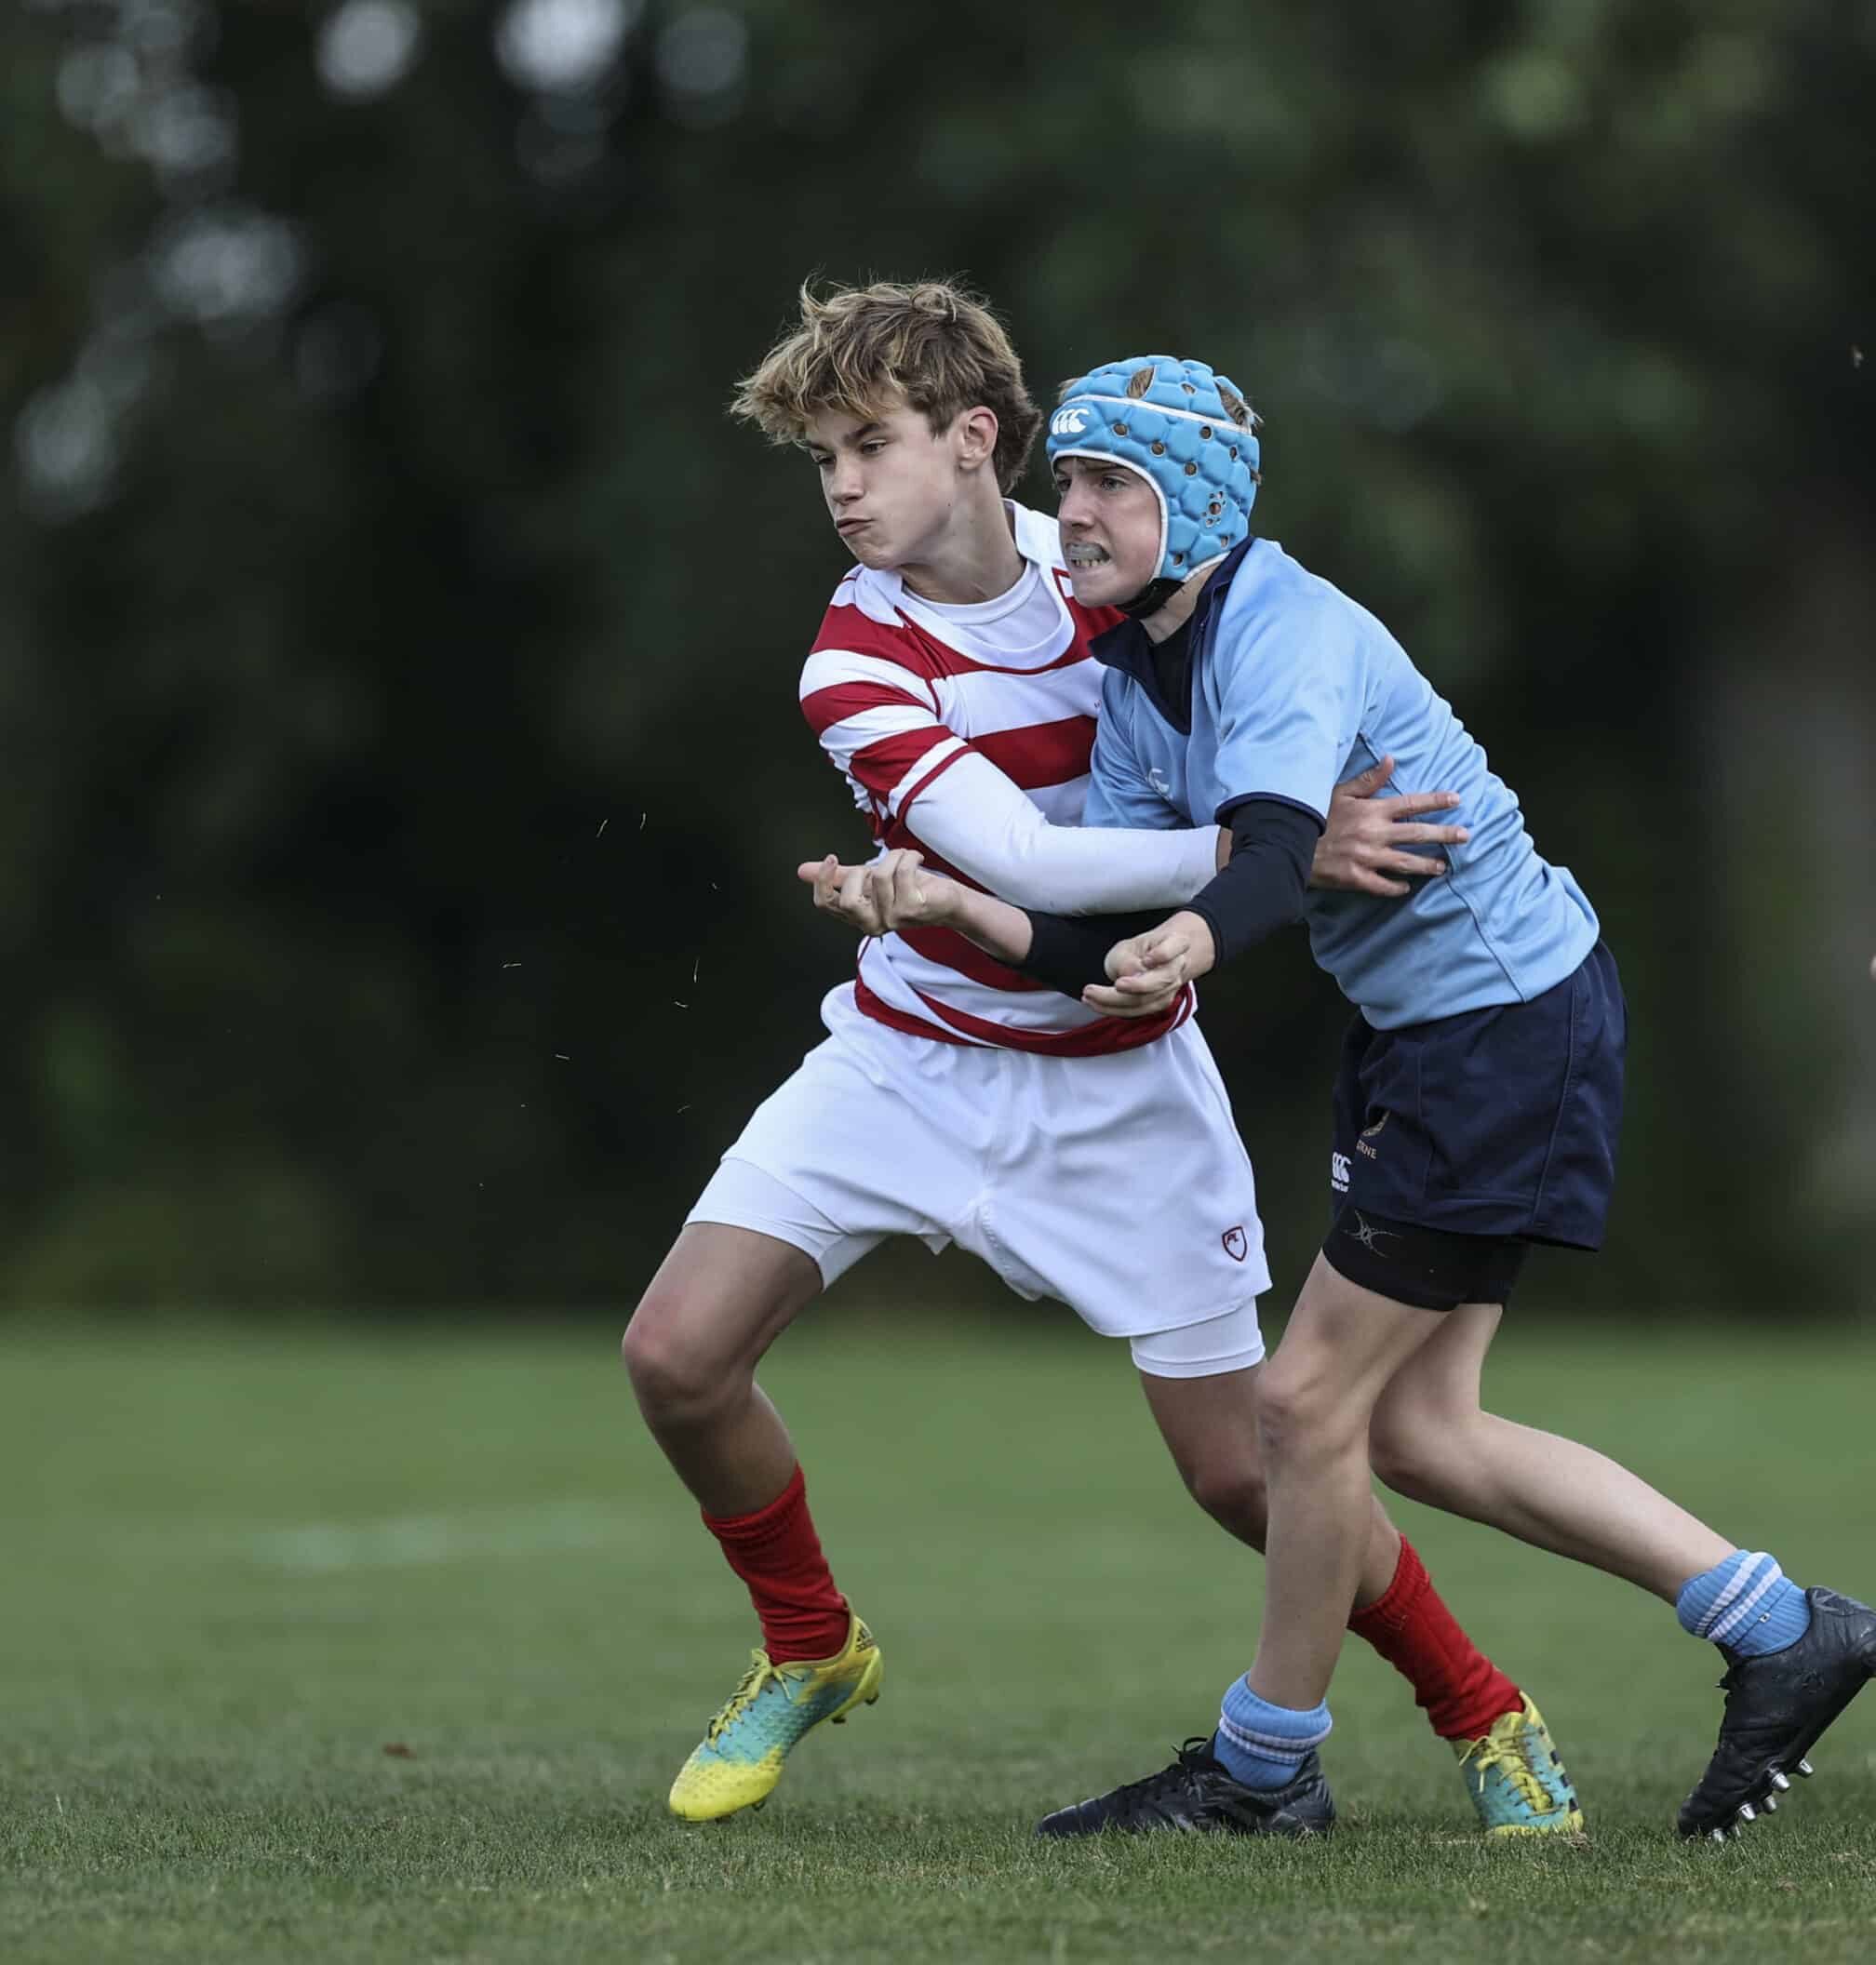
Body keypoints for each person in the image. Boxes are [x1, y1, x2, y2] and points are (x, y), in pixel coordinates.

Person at [836, 352, 1876, 1841]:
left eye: (1108, 485)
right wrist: (945, 902)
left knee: (1302, 1403)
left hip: (1501, 1024)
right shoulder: (1137, 670)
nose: (1070, 514)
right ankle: (1783, 1630)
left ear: (1193, 503)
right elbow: (1100, 927)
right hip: (1433, 1037)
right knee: (1420, 1431)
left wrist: (1192, 935)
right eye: (1066, 481)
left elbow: (1266, 852)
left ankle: (1264, 1773)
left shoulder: (1284, 630)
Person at [623, 280, 1579, 1836]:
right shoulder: (853, 660)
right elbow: (1024, 859)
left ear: (975, 439)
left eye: (870, 444)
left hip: (1124, 1082)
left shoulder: (1121, 576)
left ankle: (1484, 1709)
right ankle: (810, 1643)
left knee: (1247, 1475)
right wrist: (1275, 845)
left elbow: (1282, 705)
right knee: (674, 1359)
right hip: (909, 1061)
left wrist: (1291, 828)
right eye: (822, 460)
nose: (842, 486)